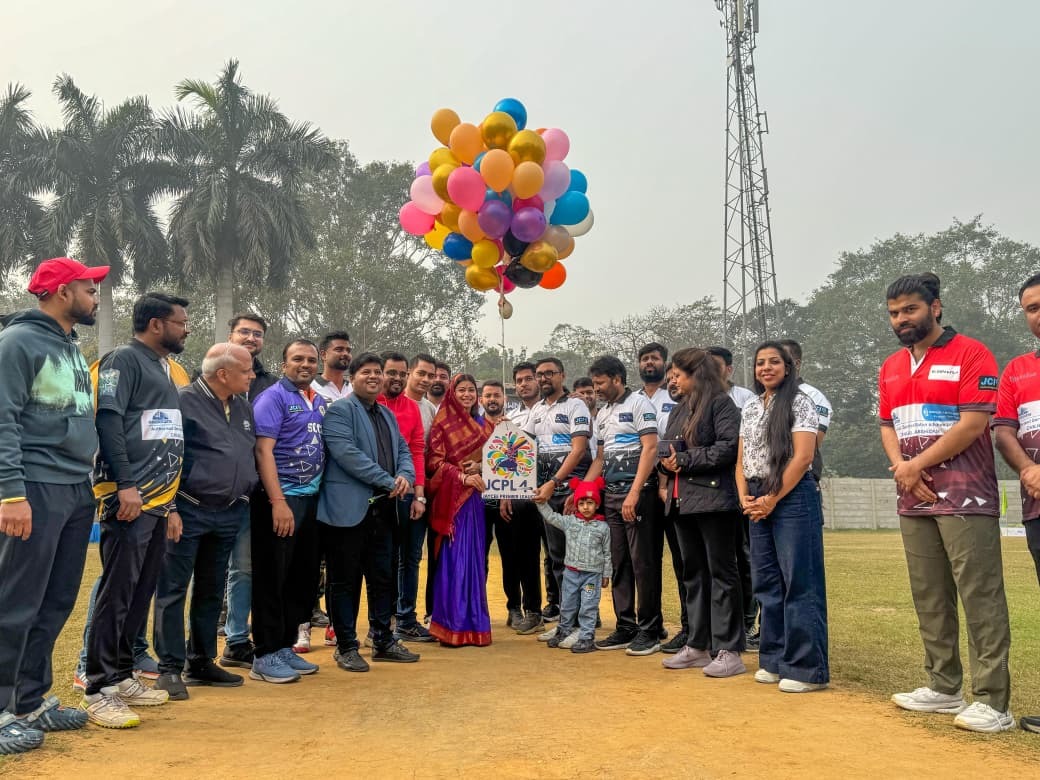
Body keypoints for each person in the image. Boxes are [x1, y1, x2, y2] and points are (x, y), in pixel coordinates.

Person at [880, 273, 1011, 732]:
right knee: (930, 595)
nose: (901, 319)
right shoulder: (892, 365)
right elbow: (887, 424)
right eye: (895, 313)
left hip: (966, 495)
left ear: (935, 307)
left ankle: (993, 701)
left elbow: (974, 423)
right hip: (911, 497)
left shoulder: (972, 354)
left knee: (981, 596)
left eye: (910, 309)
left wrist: (916, 466)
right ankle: (943, 686)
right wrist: (903, 467)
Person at [0, 258, 107, 752]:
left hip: (73, 487)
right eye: (89, 288)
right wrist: (12, 493)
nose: (96, 296)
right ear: (62, 292)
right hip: (34, 487)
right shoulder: (18, 343)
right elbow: (3, 420)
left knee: (55, 599)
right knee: (14, 603)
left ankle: (29, 701)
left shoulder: (68, 345)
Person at [82, 292, 191, 727]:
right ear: (156, 324)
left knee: (141, 590)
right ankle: (99, 686)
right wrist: (126, 484)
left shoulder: (163, 367)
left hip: (159, 501)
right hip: (129, 496)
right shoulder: (121, 361)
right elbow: (108, 420)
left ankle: (124, 673)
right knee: (118, 590)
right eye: (181, 322)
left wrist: (170, 503)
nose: (186, 329)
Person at [152, 343, 258, 700]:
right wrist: (169, 508)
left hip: (228, 512)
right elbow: (163, 455)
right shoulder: (180, 401)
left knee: (212, 588)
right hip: (188, 510)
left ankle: (201, 660)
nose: (253, 376)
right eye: (246, 371)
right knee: (173, 589)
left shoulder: (243, 405)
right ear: (223, 374)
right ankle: (169, 668)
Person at [736, 341, 828, 693]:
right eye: (760, 363)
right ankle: (773, 659)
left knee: (799, 583)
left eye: (774, 362)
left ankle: (807, 668)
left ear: (788, 367)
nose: (766, 368)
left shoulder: (801, 401)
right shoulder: (750, 406)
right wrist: (746, 495)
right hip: (757, 496)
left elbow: (803, 456)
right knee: (767, 583)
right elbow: (742, 459)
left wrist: (772, 498)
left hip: (791, 496)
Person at [319, 352, 419, 672]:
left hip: (385, 510)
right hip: (347, 510)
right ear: (352, 377)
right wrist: (388, 479)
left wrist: (405, 476)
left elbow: (404, 450)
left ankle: (383, 640)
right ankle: (347, 646)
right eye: (367, 372)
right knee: (344, 581)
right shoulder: (339, 411)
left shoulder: (387, 415)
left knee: (383, 577)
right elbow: (347, 455)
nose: (374, 376)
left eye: (378, 372)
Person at [658, 348, 745, 677]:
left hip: (714, 499)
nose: (673, 380)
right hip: (681, 501)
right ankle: (697, 644)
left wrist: (684, 460)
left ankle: (728, 649)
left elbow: (729, 447)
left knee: (722, 573)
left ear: (698, 374)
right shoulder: (680, 408)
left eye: (679, 374)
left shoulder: (722, 404)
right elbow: (667, 445)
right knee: (693, 574)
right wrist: (664, 460)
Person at [248, 339, 325, 683]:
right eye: (297, 359)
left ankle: (284, 646)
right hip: (280, 501)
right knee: (272, 578)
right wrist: (278, 502)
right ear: (284, 364)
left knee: (303, 578)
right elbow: (264, 452)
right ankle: (264, 654)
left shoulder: (318, 401)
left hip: (311, 502)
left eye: (311, 360)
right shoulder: (272, 398)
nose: (305, 365)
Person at [585, 355, 661, 655]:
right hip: (612, 497)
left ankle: (651, 630)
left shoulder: (640, 404)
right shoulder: (603, 413)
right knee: (619, 563)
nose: (597, 388)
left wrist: (635, 492)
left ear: (617, 379)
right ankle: (625, 625)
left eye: (601, 382)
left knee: (644, 563)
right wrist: (583, 492)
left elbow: (651, 447)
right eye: (594, 383)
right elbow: (601, 459)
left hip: (639, 496)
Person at [217, 312, 278, 670]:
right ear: (231, 335)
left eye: (257, 334)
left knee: (244, 567)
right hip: (211, 491)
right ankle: (200, 642)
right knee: (205, 567)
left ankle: (237, 638)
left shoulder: (269, 385)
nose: (251, 338)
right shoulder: (207, 377)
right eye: (244, 332)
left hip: (256, 488)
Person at [994, 273, 1040, 735]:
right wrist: (1028, 469)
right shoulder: (1018, 371)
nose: (1038, 314)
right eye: (1031, 307)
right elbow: (1004, 429)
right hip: (1037, 505)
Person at [527, 357, 593, 643]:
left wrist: (555, 483)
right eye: (539, 375)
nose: (543, 379)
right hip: (548, 493)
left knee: (578, 560)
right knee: (557, 560)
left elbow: (579, 450)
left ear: (562, 376)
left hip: (570, 492)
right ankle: (566, 623)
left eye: (549, 374)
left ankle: (582, 625)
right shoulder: (538, 409)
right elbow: (522, 445)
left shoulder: (575, 405)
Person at [426, 374, 495, 646]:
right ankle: (450, 625)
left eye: (471, 390)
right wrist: (463, 477)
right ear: (453, 393)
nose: (467, 394)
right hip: (454, 500)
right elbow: (434, 463)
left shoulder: (485, 425)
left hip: (476, 501)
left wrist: (480, 468)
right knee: (455, 560)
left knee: (475, 561)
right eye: (461, 390)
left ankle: (475, 626)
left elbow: (498, 459)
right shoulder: (442, 423)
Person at [378, 351, 431, 644]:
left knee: (410, 558)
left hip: (407, 494)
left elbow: (417, 451)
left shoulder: (411, 408)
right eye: (392, 372)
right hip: (377, 495)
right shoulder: (370, 405)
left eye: (401, 373)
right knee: (383, 560)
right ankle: (382, 624)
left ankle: (407, 620)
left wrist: (418, 495)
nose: (396, 378)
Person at [709, 345, 760, 649]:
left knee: (746, 557)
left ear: (728, 369)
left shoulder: (745, 399)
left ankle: (747, 621)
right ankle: (722, 626)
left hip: (741, 487)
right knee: (722, 559)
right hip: (711, 491)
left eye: (715, 366)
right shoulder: (697, 401)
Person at [636, 343, 683, 651]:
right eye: (644, 359)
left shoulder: (677, 397)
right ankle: (651, 626)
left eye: (654, 358)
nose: (649, 362)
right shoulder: (633, 399)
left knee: (683, 559)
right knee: (646, 561)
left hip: (676, 483)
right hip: (643, 485)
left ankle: (690, 627)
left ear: (665, 364)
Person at [535, 478, 611, 654]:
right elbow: (551, 517)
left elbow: (607, 553)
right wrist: (541, 503)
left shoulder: (603, 528)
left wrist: (606, 574)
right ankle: (565, 630)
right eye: (582, 503)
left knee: (588, 606)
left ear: (597, 505)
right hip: (571, 573)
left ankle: (586, 636)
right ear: (576, 504)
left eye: (590, 503)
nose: (585, 507)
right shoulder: (570, 522)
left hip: (592, 575)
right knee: (567, 604)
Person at [501, 361, 546, 634]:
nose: (524, 384)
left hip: (551, 491)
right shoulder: (512, 419)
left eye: (529, 379)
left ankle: (560, 610)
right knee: (520, 554)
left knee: (554, 556)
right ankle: (525, 609)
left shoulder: (553, 410)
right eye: (519, 380)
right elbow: (505, 462)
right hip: (520, 496)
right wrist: (505, 495)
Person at [778, 339, 832, 482]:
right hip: (766, 479)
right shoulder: (762, 398)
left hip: (800, 478)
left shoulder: (813, 396)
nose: (772, 366)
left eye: (779, 360)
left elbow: (813, 442)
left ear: (796, 364)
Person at [312, 331, 353, 404]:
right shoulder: (311, 388)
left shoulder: (353, 388)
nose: (346, 354)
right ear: (323, 355)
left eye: (348, 351)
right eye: (339, 349)